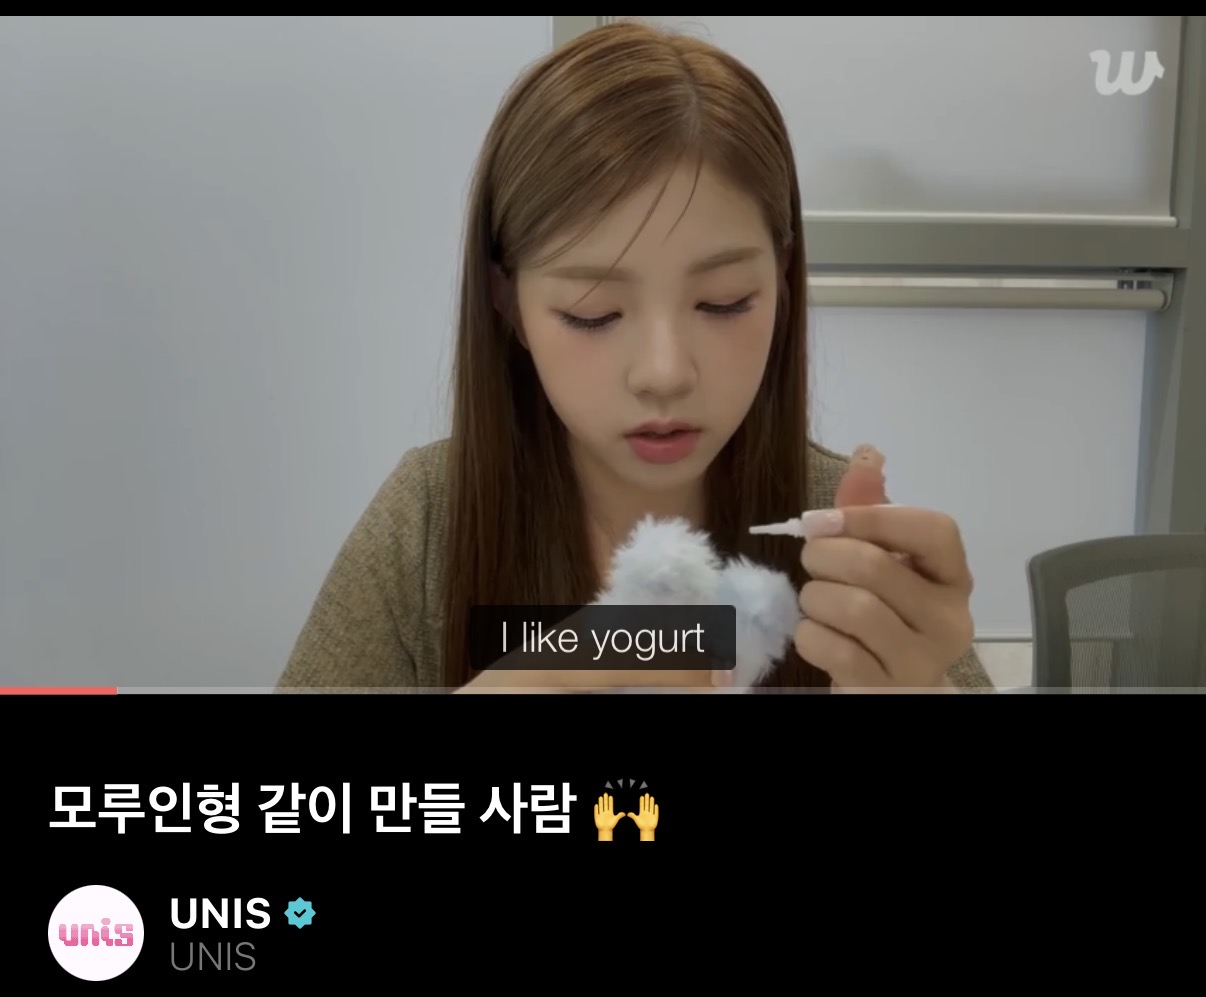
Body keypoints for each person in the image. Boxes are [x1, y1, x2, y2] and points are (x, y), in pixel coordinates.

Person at [276, 19, 993, 694]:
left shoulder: (842, 541)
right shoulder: (431, 521)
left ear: (781, 278)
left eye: (723, 302)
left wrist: (925, 684)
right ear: (507, 302)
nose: (664, 373)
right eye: (593, 312)